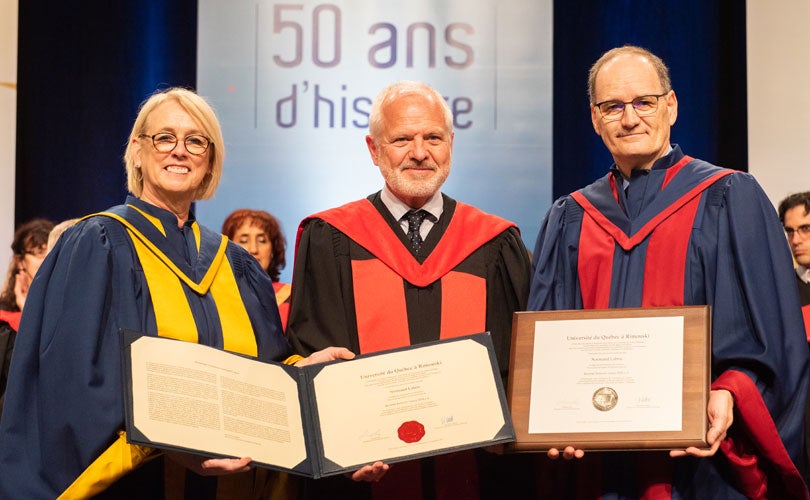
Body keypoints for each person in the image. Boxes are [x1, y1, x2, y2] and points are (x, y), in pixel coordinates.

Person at [0, 87, 382, 499]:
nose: (179, 151)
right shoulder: (97, 244)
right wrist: (166, 440)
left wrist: (303, 374)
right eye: (164, 137)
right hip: (136, 486)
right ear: (137, 151)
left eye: (195, 141)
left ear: (210, 160)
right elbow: (70, 379)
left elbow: (263, 367)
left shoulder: (237, 265)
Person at [528, 45, 809, 499]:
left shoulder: (729, 197)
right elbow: (545, 342)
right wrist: (550, 416)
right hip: (602, 467)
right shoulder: (570, 218)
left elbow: (775, 335)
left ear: (671, 106)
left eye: (644, 102)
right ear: (595, 119)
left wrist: (733, 393)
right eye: (613, 106)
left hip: (701, 465)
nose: (630, 118)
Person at [286, 80, 533, 499]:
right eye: (402, 139)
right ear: (374, 150)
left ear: (450, 144)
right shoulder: (331, 239)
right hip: (361, 479)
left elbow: (516, 365)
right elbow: (317, 352)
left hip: (474, 473)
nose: (420, 152)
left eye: (433, 137)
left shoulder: (494, 242)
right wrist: (345, 449)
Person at [0, 218, 54, 415]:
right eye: (38, 252)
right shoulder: (4, 318)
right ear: (19, 261)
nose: (46, 257)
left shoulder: (60, 305)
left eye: (49, 250)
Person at [779, 190, 810, 485]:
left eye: (805, 229)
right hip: (797, 417)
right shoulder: (780, 290)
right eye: (789, 231)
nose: (796, 240)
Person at [222, 209, 291, 330]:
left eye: (262, 241)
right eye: (244, 240)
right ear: (228, 248)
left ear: (273, 250)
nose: (253, 249)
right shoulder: (217, 297)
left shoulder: (292, 298)